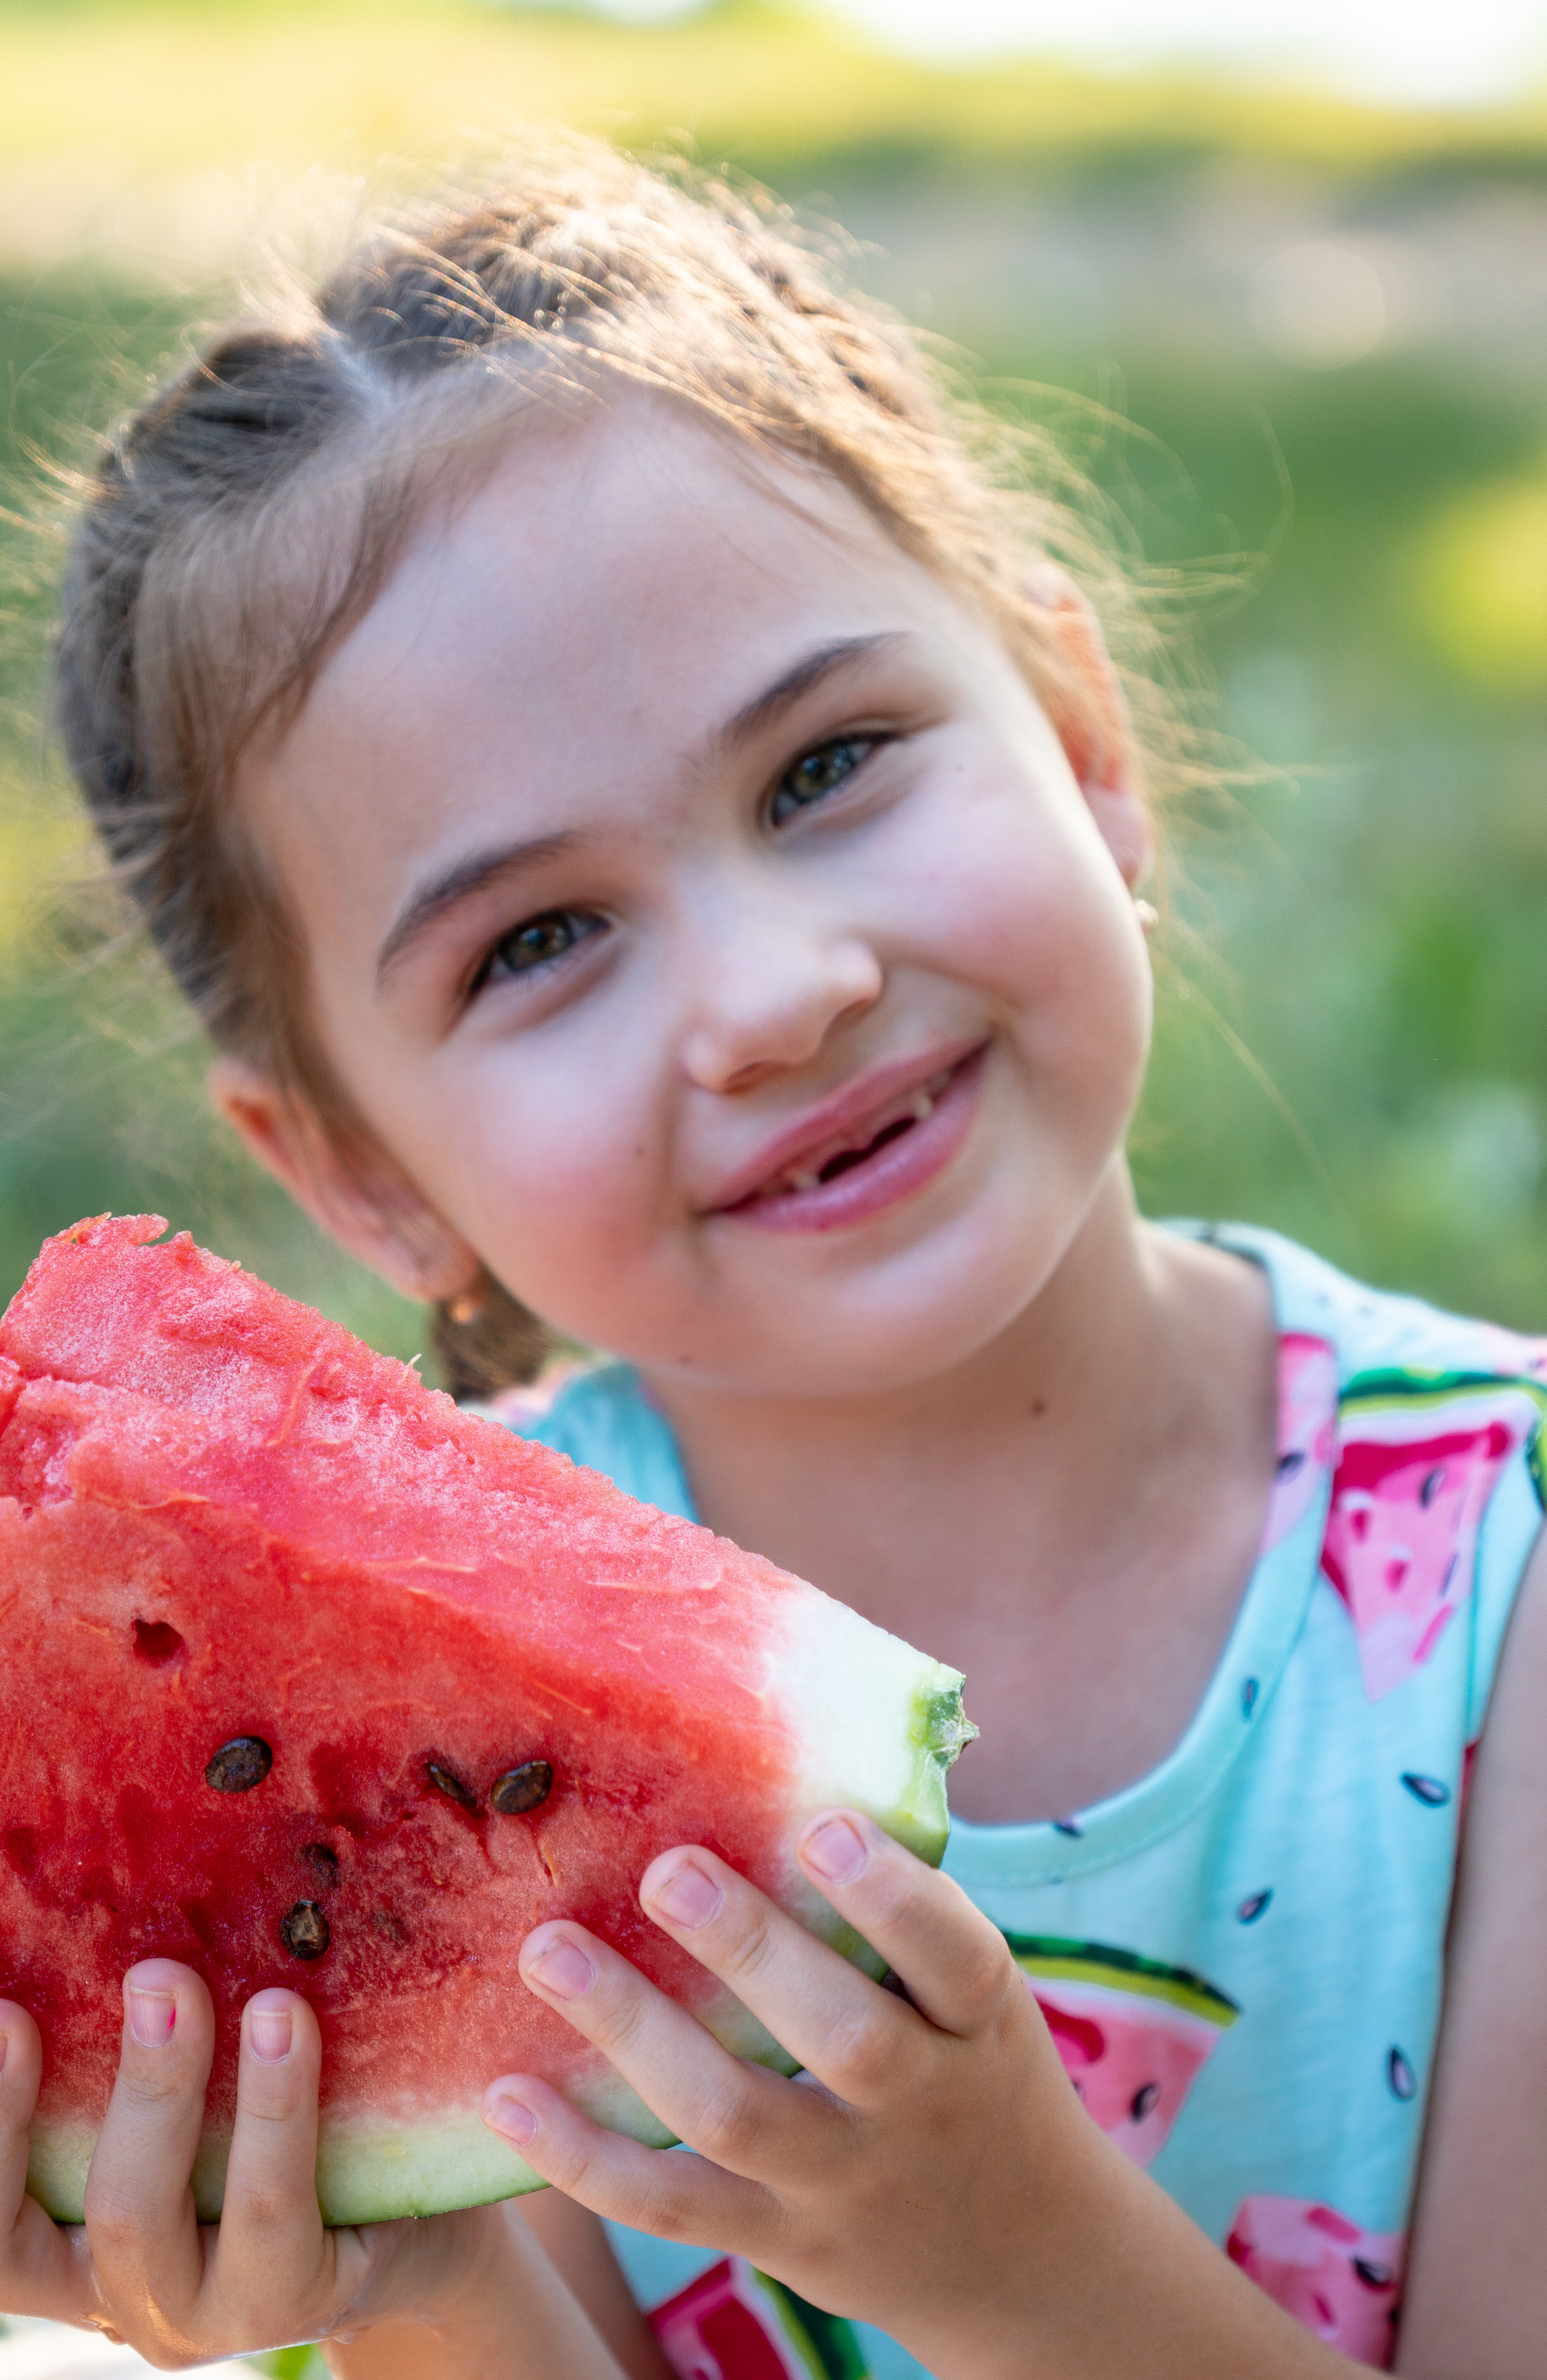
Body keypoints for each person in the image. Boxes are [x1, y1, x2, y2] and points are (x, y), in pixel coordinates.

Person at [3, 133, 1545, 2379]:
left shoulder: (1505, 1588)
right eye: (539, 941)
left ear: (1084, 743)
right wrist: (421, 2279)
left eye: (828, 768)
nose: (776, 994)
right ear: (358, 1172)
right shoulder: (433, 1743)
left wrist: (1018, 2262)